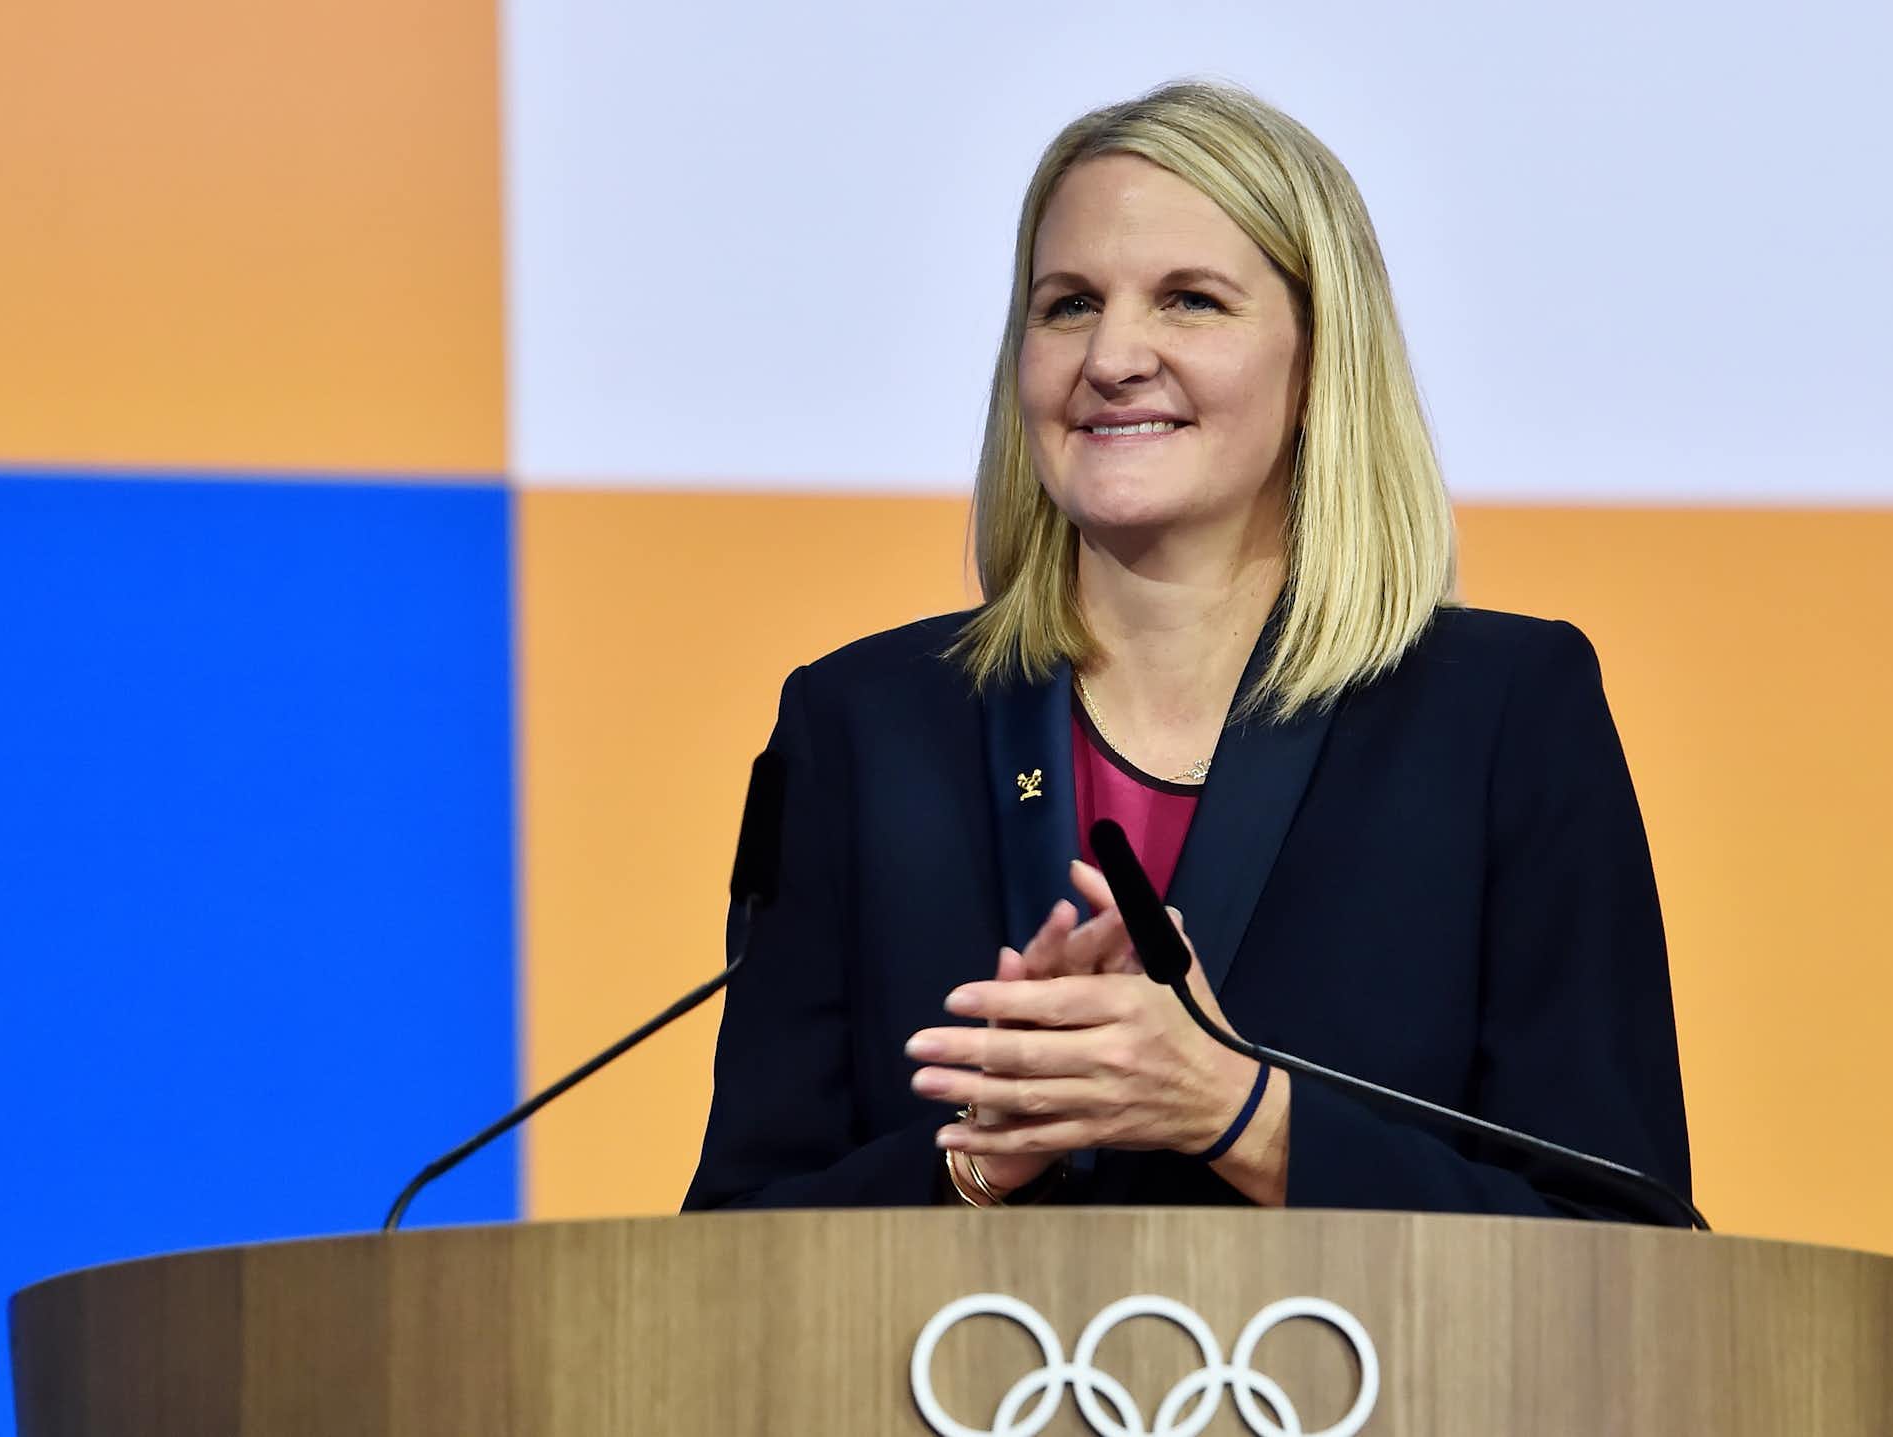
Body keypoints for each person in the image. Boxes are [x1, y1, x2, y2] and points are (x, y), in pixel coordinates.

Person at [682, 81, 1690, 1218]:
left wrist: (1237, 1115)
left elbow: (1627, 1239)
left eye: (1189, 301)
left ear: (1319, 365)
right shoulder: (865, 727)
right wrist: (977, 1162)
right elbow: (733, 1240)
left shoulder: (1503, 717)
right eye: (1066, 304)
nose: (1113, 355)